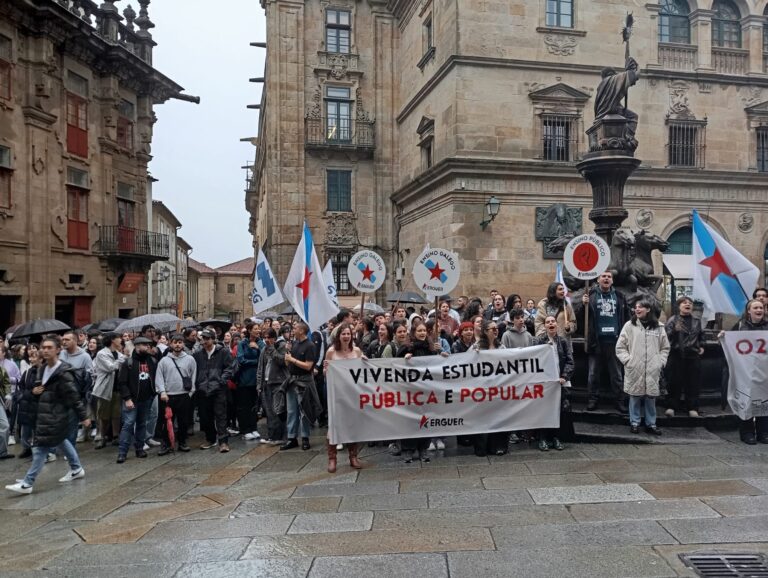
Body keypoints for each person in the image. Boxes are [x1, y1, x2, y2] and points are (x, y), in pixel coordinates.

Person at [5, 335, 90, 494]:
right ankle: (77, 468)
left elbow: (73, 396)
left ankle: (28, 483)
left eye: (49, 347)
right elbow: (40, 390)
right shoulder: (42, 368)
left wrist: (84, 417)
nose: (45, 350)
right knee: (62, 440)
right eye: (43, 347)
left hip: (55, 416)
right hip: (43, 414)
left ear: (58, 350)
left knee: (40, 449)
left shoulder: (63, 372)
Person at [577, 271, 631, 412]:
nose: (606, 278)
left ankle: (619, 401)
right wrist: (583, 305)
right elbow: (580, 317)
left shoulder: (620, 297)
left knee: (617, 375)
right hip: (596, 342)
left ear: (612, 281)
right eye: (603, 276)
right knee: (593, 374)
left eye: (609, 277)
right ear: (598, 279)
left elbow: (627, 318)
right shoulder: (591, 295)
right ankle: (592, 400)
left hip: (615, 342)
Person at [616, 300, 670, 436]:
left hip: (653, 368)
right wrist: (628, 361)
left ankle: (651, 424)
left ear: (648, 309)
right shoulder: (629, 326)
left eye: (640, 307)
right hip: (635, 367)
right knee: (634, 396)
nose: (637, 309)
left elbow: (665, 347)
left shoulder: (659, 327)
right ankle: (634, 423)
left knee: (651, 397)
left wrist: (661, 361)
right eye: (636, 307)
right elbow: (620, 347)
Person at [397, 319, 447, 463]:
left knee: (425, 420)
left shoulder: (432, 347)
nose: (422, 333)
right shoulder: (406, 347)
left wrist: (441, 355)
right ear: (414, 332)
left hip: (427, 392)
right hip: (411, 392)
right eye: (419, 331)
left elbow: (438, 366)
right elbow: (396, 366)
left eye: (424, 330)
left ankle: (423, 448)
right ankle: (408, 449)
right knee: (410, 420)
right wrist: (404, 359)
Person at [722, 299, 768, 444]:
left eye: (761, 307)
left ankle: (763, 432)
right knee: (746, 400)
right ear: (749, 311)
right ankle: (747, 432)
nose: (759, 310)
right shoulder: (741, 326)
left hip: (764, 370)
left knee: (764, 400)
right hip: (746, 371)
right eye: (755, 307)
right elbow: (731, 341)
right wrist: (724, 337)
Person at [323, 323, 364, 473]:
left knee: (352, 424)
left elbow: (363, 369)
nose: (346, 336)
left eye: (348, 334)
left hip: (353, 393)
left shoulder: (357, 351)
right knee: (334, 424)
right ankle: (332, 458)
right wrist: (326, 369)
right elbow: (325, 372)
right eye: (343, 334)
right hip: (337, 393)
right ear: (338, 336)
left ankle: (353, 456)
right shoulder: (331, 352)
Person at [534, 315, 575, 451]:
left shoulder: (563, 341)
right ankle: (543, 438)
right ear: (544, 326)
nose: (551, 324)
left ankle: (556, 437)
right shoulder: (539, 341)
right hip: (545, 383)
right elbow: (534, 361)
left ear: (557, 325)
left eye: (553, 321)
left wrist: (564, 376)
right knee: (543, 410)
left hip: (559, 382)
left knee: (560, 410)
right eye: (548, 322)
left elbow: (570, 361)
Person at [278, 321, 320, 451]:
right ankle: (292, 438)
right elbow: (287, 364)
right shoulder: (294, 344)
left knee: (304, 411)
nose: (292, 330)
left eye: (295, 328)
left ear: (302, 331)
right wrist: (288, 354)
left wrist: (293, 360)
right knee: (291, 411)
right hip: (292, 381)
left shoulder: (310, 345)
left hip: (304, 382)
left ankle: (305, 437)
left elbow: (308, 366)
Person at [116, 337, 158, 463]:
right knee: (128, 424)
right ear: (137, 346)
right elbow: (122, 383)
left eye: (148, 345)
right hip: (132, 400)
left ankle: (139, 449)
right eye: (145, 345)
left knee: (142, 424)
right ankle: (122, 452)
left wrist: (153, 393)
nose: (147, 347)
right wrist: (127, 398)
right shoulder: (128, 362)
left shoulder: (152, 361)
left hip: (146, 399)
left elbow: (155, 377)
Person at [193, 329, 234, 453]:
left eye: (207, 338)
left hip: (218, 389)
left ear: (213, 339)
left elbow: (230, 368)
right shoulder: (198, 354)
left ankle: (223, 442)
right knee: (205, 416)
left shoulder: (223, 352)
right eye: (202, 339)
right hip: (203, 389)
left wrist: (221, 380)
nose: (204, 341)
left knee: (221, 415)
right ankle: (210, 439)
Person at [664, 296, 704, 418]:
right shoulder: (672, 320)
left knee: (693, 382)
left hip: (692, 355)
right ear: (679, 306)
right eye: (684, 303)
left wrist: (701, 346)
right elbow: (665, 338)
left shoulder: (697, 321)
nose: (688, 305)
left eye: (690, 303)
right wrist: (674, 331)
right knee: (674, 382)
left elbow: (701, 336)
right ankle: (671, 406)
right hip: (676, 355)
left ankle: (692, 407)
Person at [155, 334, 196, 455]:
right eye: (175, 342)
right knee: (166, 421)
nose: (177, 345)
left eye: (180, 342)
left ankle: (182, 442)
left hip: (184, 394)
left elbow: (193, 376)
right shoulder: (164, 361)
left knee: (183, 421)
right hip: (168, 396)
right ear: (170, 344)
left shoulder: (190, 359)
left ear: (183, 344)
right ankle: (166, 444)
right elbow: (159, 378)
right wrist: (162, 392)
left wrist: (190, 392)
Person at [91, 332, 127, 450]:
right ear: (112, 340)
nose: (120, 340)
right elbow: (110, 367)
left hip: (116, 388)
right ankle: (102, 436)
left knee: (116, 414)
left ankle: (116, 436)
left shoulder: (119, 354)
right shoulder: (101, 354)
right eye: (118, 338)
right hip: (105, 388)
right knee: (103, 414)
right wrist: (122, 359)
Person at [59, 332, 92, 444]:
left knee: (72, 424)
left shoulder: (85, 356)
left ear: (75, 341)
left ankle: (70, 448)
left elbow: (90, 375)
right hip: (60, 394)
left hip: (75, 395)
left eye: (67, 340)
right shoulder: (61, 354)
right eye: (63, 339)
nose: (64, 342)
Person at [256, 328, 287, 445]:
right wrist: (259, 384)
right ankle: (272, 436)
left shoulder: (282, 346)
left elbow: (282, 361)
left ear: (274, 338)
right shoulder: (263, 350)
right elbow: (260, 368)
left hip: (278, 383)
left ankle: (279, 436)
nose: (267, 340)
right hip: (266, 383)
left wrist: (272, 348)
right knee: (268, 411)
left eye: (269, 337)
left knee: (277, 410)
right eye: (265, 338)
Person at [236, 323, 262, 441]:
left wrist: (258, 348)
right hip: (244, 379)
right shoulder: (242, 343)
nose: (258, 331)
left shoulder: (260, 342)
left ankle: (253, 427)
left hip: (257, 379)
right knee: (244, 405)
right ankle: (245, 429)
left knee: (254, 405)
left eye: (258, 329)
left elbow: (265, 356)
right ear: (250, 330)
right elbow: (241, 360)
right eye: (256, 329)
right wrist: (255, 361)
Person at [15, 347, 42, 458]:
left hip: (37, 407)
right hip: (26, 406)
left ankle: (37, 451)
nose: (31, 359)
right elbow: (21, 389)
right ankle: (27, 448)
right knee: (24, 433)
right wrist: (30, 392)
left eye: (34, 356)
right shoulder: (27, 372)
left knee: (37, 431)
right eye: (30, 356)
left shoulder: (44, 372)